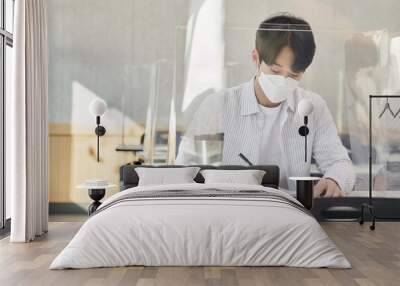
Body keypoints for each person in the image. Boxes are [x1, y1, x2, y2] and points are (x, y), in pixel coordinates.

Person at [176, 13, 355, 197]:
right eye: (275, 71)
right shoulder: (218, 106)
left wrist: (335, 180)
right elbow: (186, 170)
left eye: (294, 75)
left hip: (291, 213)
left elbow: (340, 163)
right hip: (230, 209)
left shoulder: (313, 106)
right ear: (256, 58)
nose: (283, 81)